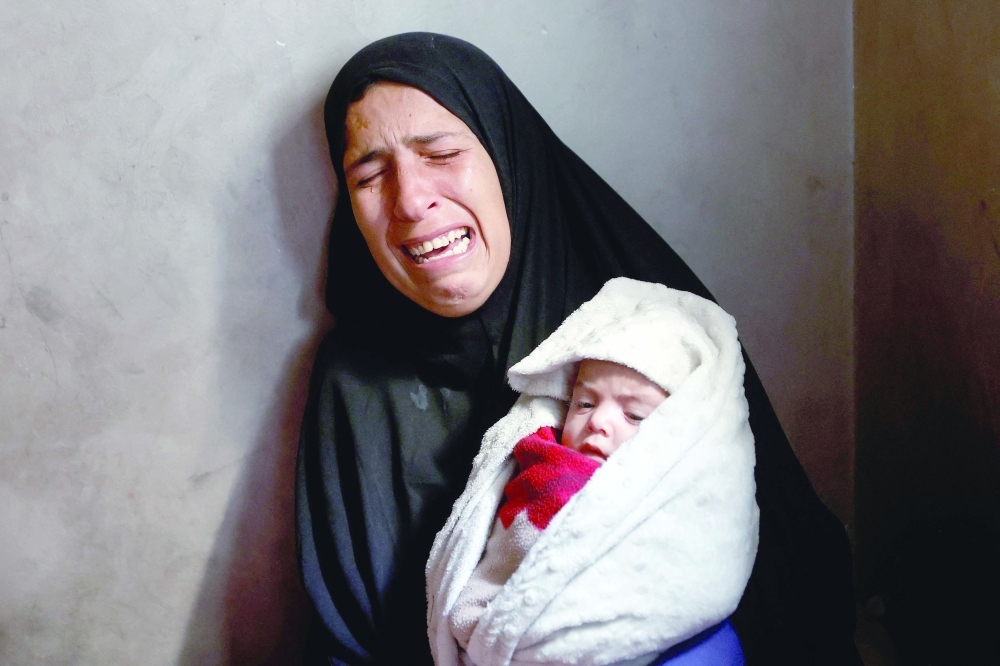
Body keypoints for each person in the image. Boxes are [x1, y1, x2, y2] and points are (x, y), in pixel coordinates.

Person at [296, 32, 859, 665]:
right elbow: (346, 639)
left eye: (443, 152)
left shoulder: (636, 335)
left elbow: (774, 577)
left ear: (508, 158)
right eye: (369, 175)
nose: (410, 200)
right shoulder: (354, 381)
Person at [427, 278, 758, 666]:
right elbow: (497, 562)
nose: (599, 420)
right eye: (584, 403)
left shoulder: (675, 499)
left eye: (634, 415)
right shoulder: (540, 463)